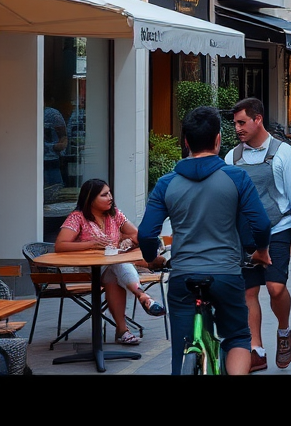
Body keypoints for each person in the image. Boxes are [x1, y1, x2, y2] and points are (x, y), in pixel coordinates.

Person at [138, 106, 271, 375]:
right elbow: (260, 224)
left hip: (183, 276)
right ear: (218, 139)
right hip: (226, 274)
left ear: (185, 141)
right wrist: (261, 251)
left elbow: (145, 233)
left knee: (182, 345)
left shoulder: (166, 183)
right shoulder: (236, 177)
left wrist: (153, 258)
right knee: (236, 337)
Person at [227, 97, 291, 372]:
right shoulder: (232, 157)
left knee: (275, 287)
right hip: (245, 234)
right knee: (248, 291)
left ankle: (283, 330)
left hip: (278, 228)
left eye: (242, 122)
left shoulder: (284, 153)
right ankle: (256, 349)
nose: (237, 128)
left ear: (257, 119)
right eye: (235, 123)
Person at [55, 178, 168, 347]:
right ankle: (142, 297)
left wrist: (127, 240)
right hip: (87, 269)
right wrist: (91, 244)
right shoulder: (77, 218)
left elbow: (137, 235)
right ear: (90, 199)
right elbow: (60, 245)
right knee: (117, 266)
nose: (110, 198)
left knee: (114, 274)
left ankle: (124, 329)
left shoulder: (114, 214)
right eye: (104, 195)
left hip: (111, 269)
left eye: (109, 193)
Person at [43, 104, 68, 186]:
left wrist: (55, 147)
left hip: (51, 162)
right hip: (29, 161)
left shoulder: (52, 114)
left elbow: (63, 137)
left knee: (55, 190)